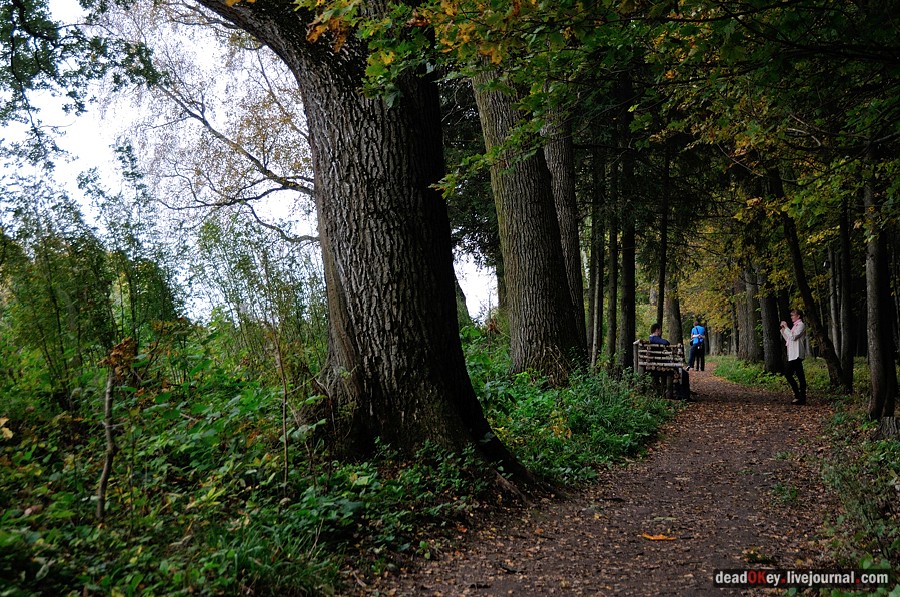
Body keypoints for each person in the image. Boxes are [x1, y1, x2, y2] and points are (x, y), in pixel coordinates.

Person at [649, 323, 692, 400]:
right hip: (661, 364)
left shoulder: (653, 339)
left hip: (662, 362)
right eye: (660, 330)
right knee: (683, 373)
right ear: (657, 330)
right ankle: (683, 396)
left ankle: (682, 395)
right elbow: (666, 342)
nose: (661, 332)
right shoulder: (653, 338)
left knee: (682, 373)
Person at [780, 308, 808, 405]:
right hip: (792, 354)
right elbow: (788, 339)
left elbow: (793, 337)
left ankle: (798, 396)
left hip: (797, 354)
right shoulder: (794, 327)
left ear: (798, 316)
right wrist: (783, 330)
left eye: (793, 315)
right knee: (800, 376)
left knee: (788, 374)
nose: (791, 317)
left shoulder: (801, 325)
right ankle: (801, 397)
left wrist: (786, 327)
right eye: (791, 315)